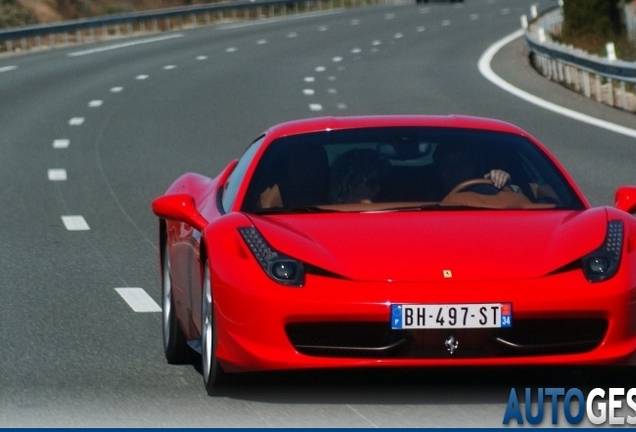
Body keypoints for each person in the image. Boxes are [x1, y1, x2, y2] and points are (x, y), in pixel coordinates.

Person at [433, 143, 512, 200]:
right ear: (439, 169)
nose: (455, 172)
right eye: (448, 166)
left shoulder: (488, 191)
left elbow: (518, 204)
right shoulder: (426, 196)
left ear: (474, 167)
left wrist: (503, 183)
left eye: (462, 165)